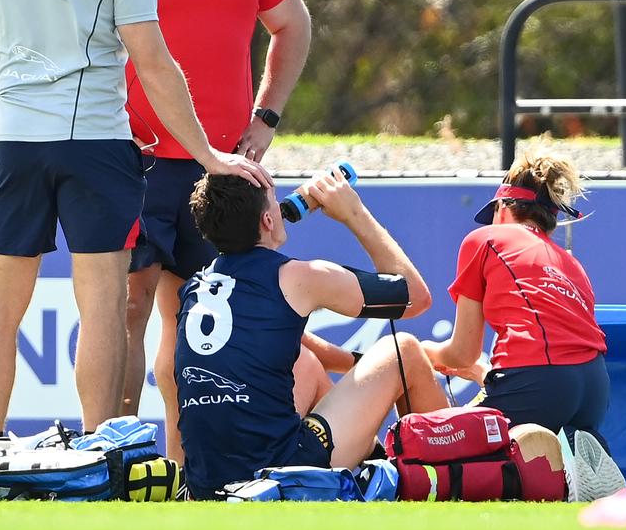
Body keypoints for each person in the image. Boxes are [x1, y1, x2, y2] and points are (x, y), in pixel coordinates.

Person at [0, 0, 271, 438]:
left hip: (16, 142)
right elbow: (154, 65)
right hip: (97, 147)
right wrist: (208, 154)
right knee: (101, 307)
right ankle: (101, 451)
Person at [121, 0, 313, 460]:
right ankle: (113, 457)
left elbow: (294, 26)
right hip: (137, 161)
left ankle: (187, 470)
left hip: (220, 172)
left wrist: (266, 119)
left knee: (201, 335)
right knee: (127, 308)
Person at [174, 169, 449, 499]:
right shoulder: (299, 277)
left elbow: (279, 340)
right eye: (275, 202)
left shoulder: (195, 287)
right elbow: (416, 297)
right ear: (268, 220)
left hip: (206, 482)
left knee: (306, 363)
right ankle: (453, 474)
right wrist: (353, 213)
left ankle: (372, 467)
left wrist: (357, 364)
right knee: (404, 350)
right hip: (275, 475)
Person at [422, 143, 612, 449]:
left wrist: (422, 353)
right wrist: (482, 373)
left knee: (431, 446)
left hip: (539, 383)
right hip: (595, 390)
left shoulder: (485, 239)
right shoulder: (572, 264)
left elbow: (462, 353)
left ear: (503, 207)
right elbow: (562, 354)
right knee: (529, 470)